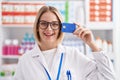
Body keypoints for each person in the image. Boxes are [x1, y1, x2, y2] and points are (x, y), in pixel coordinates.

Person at [13, 6, 115, 80]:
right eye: (44, 24)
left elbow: (108, 77)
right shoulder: (25, 60)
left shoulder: (73, 55)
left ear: (60, 28)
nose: (49, 29)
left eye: (54, 24)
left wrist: (92, 44)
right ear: (37, 27)